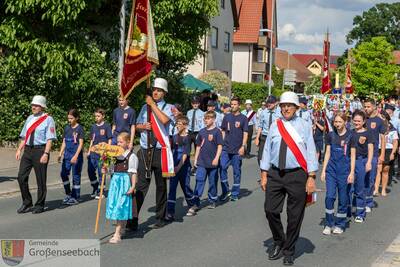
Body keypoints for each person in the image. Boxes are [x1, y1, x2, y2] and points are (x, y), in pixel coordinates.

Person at [260, 91, 318, 266]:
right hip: (276, 174)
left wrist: (311, 177)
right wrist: (264, 174)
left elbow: (310, 151)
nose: (286, 108)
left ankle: (289, 250)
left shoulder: (304, 125)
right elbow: (267, 150)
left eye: (289, 106)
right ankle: (279, 240)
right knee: (270, 210)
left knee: (295, 216)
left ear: (296, 107)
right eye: (283, 106)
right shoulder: (274, 126)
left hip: (297, 175)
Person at [128, 77, 174, 230]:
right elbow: (137, 125)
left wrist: (152, 105)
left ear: (164, 93)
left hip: (161, 151)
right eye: (154, 90)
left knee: (161, 186)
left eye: (159, 90)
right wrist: (143, 126)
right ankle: (132, 220)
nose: (155, 92)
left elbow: (164, 120)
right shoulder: (144, 108)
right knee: (140, 186)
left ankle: (160, 217)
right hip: (145, 150)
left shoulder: (168, 107)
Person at [16, 95, 56, 214]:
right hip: (28, 150)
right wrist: (19, 149)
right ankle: (27, 202)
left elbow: (50, 139)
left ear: (42, 107)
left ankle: (40, 204)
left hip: (40, 150)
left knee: (41, 180)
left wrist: (46, 153)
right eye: (33, 105)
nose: (33, 107)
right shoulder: (29, 118)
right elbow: (24, 136)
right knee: (21, 177)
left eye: (36, 105)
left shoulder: (48, 119)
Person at [320, 112, 354, 235]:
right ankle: (329, 224)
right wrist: (323, 170)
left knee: (343, 198)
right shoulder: (330, 135)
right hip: (331, 171)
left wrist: (351, 173)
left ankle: (340, 224)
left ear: (345, 122)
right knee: (329, 197)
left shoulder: (351, 136)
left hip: (344, 171)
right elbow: (327, 153)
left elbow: (353, 155)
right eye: (335, 122)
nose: (337, 124)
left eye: (340, 121)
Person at [187, 111, 223, 215]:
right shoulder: (201, 132)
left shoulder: (217, 132)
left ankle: (212, 200)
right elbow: (198, 146)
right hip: (202, 161)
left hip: (213, 162)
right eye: (205, 118)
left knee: (212, 182)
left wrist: (216, 158)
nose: (205, 120)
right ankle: (196, 203)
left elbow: (220, 146)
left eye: (208, 118)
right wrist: (195, 159)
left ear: (213, 119)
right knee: (199, 181)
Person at [105, 132, 138, 244]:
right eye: (117, 141)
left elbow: (133, 173)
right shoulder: (115, 156)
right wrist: (106, 170)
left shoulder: (131, 156)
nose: (118, 144)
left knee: (121, 206)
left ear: (128, 142)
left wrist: (133, 186)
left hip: (124, 182)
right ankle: (122, 228)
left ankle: (117, 234)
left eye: (121, 141)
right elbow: (112, 170)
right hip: (115, 183)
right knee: (116, 205)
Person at [220, 97, 248, 202]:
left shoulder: (243, 118)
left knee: (237, 172)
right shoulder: (226, 117)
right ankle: (225, 191)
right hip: (226, 148)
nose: (233, 106)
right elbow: (223, 131)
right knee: (222, 168)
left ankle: (235, 193)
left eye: (235, 104)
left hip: (237, 150)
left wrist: (243, 146)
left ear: (239, 105)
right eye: (231, 104)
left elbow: (245, 133)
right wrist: (221, 145)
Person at [166, 116, 194, 220]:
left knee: (185, 187)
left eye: (180, 123)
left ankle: (192, 204)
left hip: (183, 167)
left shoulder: (187, 137)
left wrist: (179, 166)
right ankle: (170, 212)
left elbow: (185, 155)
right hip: (174, 166)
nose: (177, 125)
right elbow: (169, 151)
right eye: (177, 123)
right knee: (172, 189)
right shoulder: (174, 137)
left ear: (185, 125)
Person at [349, 110, 373, 223]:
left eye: (359, 121)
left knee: (360, 188)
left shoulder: (368, 133)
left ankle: (360, 213)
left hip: (361, 162)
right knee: (349, 187)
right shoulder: (350, 132)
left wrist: (368, 162)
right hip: (349, 162)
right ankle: (350, 208)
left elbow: (370, 149)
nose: (356, 122)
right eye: (355, 120)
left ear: (364, 121)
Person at [58, 109, 84, 206]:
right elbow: (64, 141)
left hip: (76, 155)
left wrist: (76, 156)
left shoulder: (79, 128)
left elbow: (81, 144)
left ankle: (75, 197)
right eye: (68, 118)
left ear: (76, 118)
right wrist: (60, 154)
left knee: (76, 176)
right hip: (67, 156)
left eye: (71, 118)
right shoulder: (66, 128)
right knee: (63, 174)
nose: (69, 120)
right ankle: (68, 193)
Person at [364, 99, 386, 212]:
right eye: (365, 106)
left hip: (374, 154)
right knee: (361, 177)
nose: (366, 109)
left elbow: (383, 138)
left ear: (373, 107)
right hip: (362, 153)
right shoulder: (363, 119)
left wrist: (382, 155)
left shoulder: (379, 121)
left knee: (371, 178)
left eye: (368, 106)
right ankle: (361, 200)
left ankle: (369, 201)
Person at [87, 108, 113, 199]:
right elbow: (92, 139)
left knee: (101, 172)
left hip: (103, 153)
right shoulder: (93, 127)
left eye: (98, 116)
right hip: (94, 152)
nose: (96, 118)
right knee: (90, 171)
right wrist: (89, 150)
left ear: (103, 116)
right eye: (95, 116)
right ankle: (95, 188)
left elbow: (109, 139)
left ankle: (101, 191)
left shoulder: (107, 126)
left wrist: (108, 150)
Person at [374, 111, 398, 196]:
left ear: (386, 118)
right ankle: (376, 189)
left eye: (382, 117)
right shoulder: (376, 127)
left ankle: (383, 189)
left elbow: (395, 142)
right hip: (379, 149)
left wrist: (393, 153)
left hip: (388, 150)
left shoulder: (392, 129)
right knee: (378, 169)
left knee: (385, 170)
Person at [255, 95, 279, 165]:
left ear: (275, 103)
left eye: (271, 102)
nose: (269, 104)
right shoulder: (264, 112)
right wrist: (257, 138)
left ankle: (270, 173)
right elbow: (260, 126)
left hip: (275, 137)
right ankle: (263, 171)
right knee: (260, 157)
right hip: (264, 137)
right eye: (268, 102)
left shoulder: (279, 113)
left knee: (273, 156)